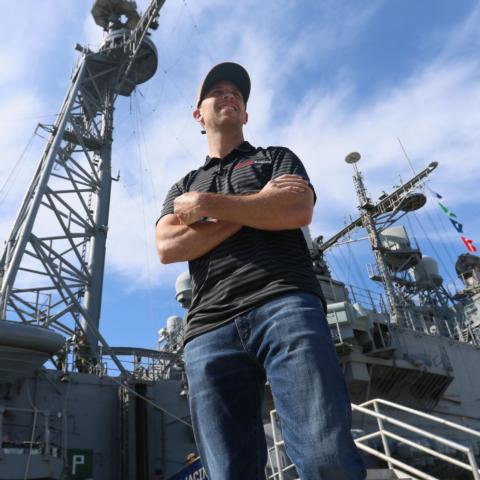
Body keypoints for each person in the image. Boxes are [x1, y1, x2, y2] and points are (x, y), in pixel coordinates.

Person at [156, 62, 366, 480]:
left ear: (247, 113)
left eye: (237, 91)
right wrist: (259, 205)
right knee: (228, 472)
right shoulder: (183, 186)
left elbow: (296, 208)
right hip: (207, 330)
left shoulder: (276, 158)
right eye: (216, 90)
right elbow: (167, 247)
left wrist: (208, 208)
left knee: (326, 458)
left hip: (285, 303)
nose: (229, 94)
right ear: (198, 114)